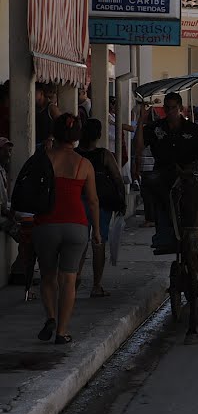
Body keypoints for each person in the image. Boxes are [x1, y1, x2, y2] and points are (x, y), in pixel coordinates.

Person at [33, 113, 101, 345]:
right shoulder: (85, 164)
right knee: (69, 280)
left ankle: (50, 317)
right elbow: (92, 201)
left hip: (46, 224)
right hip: (76, 226)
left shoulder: (44, 158)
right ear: (76, 136)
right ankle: (62, 332)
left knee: (48, 277)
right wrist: (98, 232)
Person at [133, 92, 198, 251]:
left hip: (188, 174)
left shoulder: (192, 129)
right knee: (151, 183)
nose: (170, 111)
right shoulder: (155, 128)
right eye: (167, 107)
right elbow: (138, 147)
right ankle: (164, 231)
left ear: (181, 108)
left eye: (174, 107)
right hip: (164, 174)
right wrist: (141, 120)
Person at [76, 118, 125, 298]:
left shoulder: (75, 155)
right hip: (102, 204)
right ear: (99, 135)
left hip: (79, 202)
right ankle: (96, 286)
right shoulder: (104, 155)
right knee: (98, 242)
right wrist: (122, 202)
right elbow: (118, 180)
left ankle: (76, 277)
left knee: (80, 243)